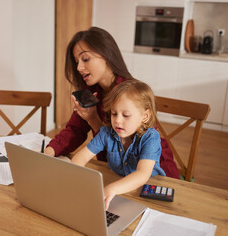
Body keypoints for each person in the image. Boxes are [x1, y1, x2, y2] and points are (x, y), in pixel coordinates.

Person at [44, 26, 180, 179]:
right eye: (77, 62)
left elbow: (130, 146)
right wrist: (48, 152)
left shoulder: (130, 92)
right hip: (119, 173)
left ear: (106, 54)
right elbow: (75, 130)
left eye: (85, 59)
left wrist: (94, 120)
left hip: (155, 173)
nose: (79, 68)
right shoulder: (90, 92)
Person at [72, 80, 165, 210]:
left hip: (146, 192)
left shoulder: (150, 138)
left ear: (145, 116)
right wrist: (74, 175)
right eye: (114, 114)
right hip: (116, 186)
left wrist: (112, 188)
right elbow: (81, 157)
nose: (117, 121)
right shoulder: (106, 133)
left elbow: (142, 174)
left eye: (126, 115)